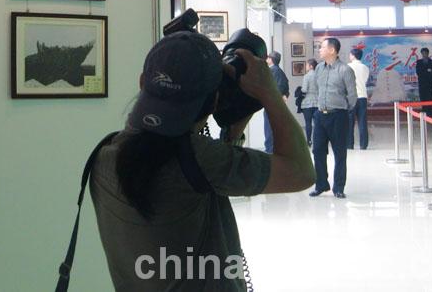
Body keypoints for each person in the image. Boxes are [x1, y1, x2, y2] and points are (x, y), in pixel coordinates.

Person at [90, 32, 315, 290]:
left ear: (143, 83)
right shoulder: (201, 159)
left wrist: (233, 132)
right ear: (214, 101)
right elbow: (301, 173)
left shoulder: (104, 155)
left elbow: (196, 186)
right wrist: (269, 94)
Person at [309, 38, 356, 199]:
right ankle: (321, 184)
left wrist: (343, 109)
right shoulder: (319, 69)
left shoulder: (345, 70)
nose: (319, 50)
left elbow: (352, 96)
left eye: (322, 47)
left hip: (338, 115)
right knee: (317, 151)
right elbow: (316, 89)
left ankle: (338, 187)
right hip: (320, 115)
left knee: (339, 153)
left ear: (332, 50)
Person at [263, 51, 289, 154]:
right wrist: (285, 95)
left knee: (269, 129)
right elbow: (285, 87)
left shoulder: (274, 71)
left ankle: (270, 151)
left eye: (268, 57)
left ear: (271, 59)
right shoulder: (278, 71)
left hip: (271, 106)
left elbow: (275, 89)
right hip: (274, 105)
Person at [347, 48, 370, 150]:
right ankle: (363, 144)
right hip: (362, 97)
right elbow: (364, 81)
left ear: (353, 55)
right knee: (362, 122)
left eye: (350, 54)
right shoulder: (365, 67)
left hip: (351, 97)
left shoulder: (347, 67)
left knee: (349, 122)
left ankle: (349, 144)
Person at [415, 47, 432, 116]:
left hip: (430, 84)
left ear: (428, 53)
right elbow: (418, 72)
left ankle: (430, 113)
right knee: (423, 98)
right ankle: (424, 112)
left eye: (426, 53)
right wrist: (428, 71)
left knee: (430, 98)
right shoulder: (419, 62)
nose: (424, 54)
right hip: (422, 84)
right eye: (423, 53)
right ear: (421, 54)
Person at [300, 59, 318, 146]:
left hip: (307, 102)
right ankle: (317, 140)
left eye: (307, 65)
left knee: (308, 123)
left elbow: (304, 89)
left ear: (311, 66)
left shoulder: (307, 76)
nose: (306, 66)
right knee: (317, 123)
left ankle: (309, 141)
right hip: (318, 102)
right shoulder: (319, 75)